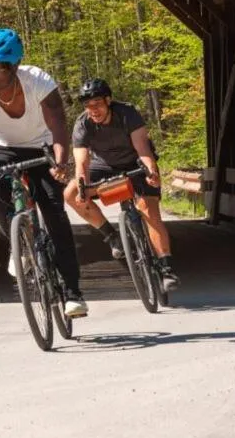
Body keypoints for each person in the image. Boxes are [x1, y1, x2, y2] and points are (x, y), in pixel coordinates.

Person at [0, 27, 88, 318]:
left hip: (40, 146)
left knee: (55, 212)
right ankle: (21, 245)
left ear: (13, 66)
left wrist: (60, 163)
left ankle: (73, 293)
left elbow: (58, 126)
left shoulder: (38, 81)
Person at [64, 77, 178, 291]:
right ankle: (112, 236)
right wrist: (81, 186)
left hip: (134, 162)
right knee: (70, 193)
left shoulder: (127, 114)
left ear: (108, 100)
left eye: (97, 104)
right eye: (88, 106)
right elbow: (82, 162)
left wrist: (151, 171)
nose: (93, 110)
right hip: (103, 166)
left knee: (148, 209)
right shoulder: (82, 124)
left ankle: (166, 268)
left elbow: (143, 149)